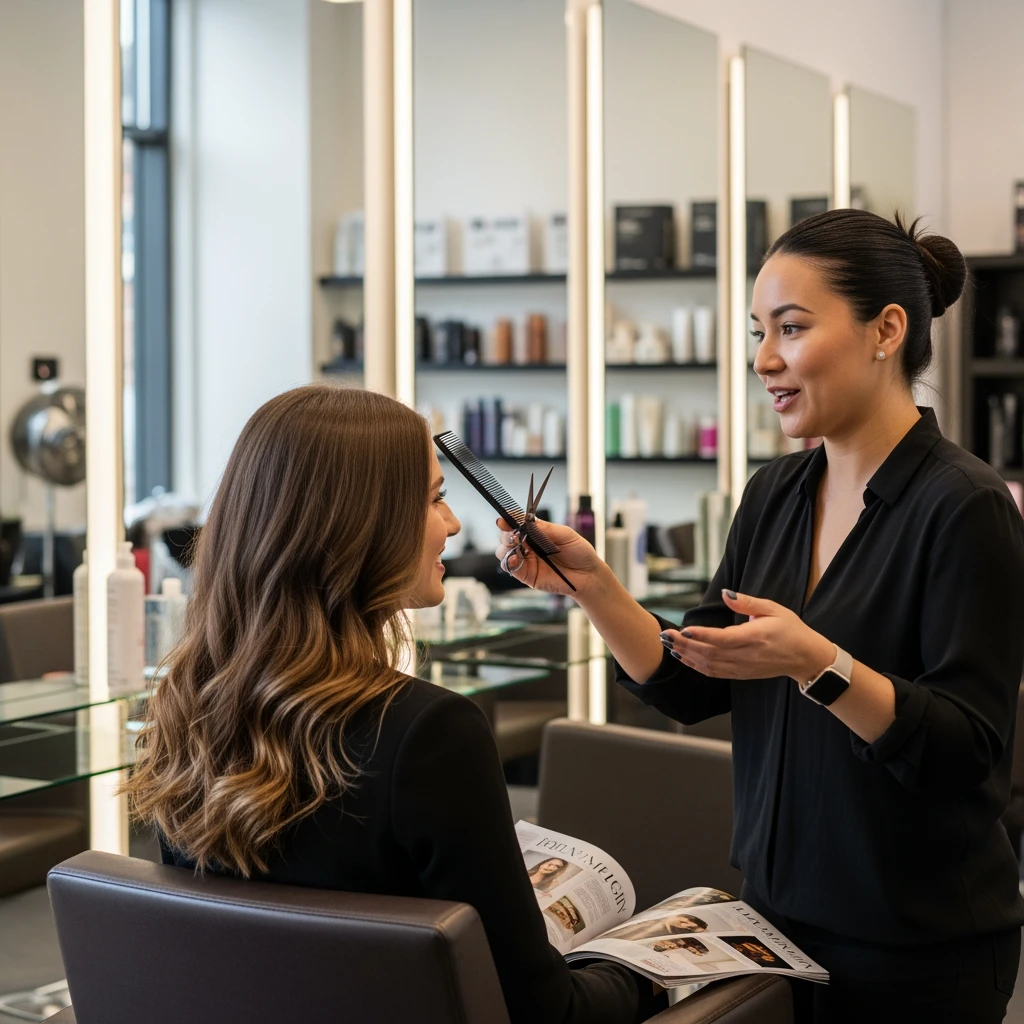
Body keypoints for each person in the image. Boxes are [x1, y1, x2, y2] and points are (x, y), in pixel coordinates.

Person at [496, 210, 1024, 1023]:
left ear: (887, 330)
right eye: (757, 331)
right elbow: (686, 683)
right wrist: (593, 584)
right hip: (772, 923)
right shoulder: (774, 495)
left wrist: (820, 664)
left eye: (791, 328)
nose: (764, 359)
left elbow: (969, 753)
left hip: (915, 948)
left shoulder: (966, 508)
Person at [123, 386, 663, 1024]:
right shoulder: (428, 734)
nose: (455, 524)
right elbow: (543, 1012)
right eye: (435, 499)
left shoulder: (190, 707)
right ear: (361, 524)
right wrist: (645, 972)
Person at [603, 913, 707, 942]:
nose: (685, 925)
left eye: (690, 929)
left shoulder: (667, 935)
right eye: (690, 922)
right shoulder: (659, 913)